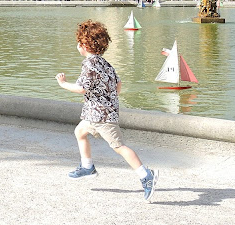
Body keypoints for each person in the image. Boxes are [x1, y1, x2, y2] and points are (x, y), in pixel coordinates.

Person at [55, 20, 158, 202]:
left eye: (79, 42)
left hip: (100, 116)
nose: (78, 45)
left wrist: (63, 84)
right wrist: (106, 97)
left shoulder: (88, 64)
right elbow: (118, 86)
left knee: (119, 147)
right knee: (79, 131)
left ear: (85, 45)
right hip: (100, 112)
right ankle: (87, 167)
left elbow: (81, 88)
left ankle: (146, 175)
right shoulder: (105, 63)